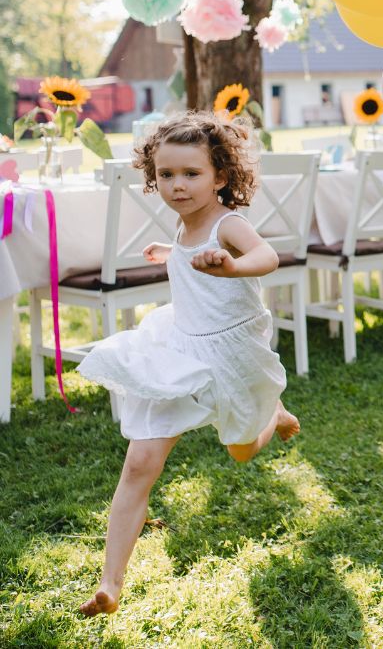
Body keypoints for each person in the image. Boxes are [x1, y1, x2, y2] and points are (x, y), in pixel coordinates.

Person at [76, 112, 298, 616]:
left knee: (241, 450)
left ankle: (273, 416)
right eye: (166, 175)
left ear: (221, 176)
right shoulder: (182, 222)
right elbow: (189, 251)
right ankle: (111, 582)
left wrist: (232, 266)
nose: (177, 186)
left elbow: (268, 257)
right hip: (178, 348)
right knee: (140, 462)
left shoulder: (229, 223)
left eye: (191, 174)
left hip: (231, 355)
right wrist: (172, 253)